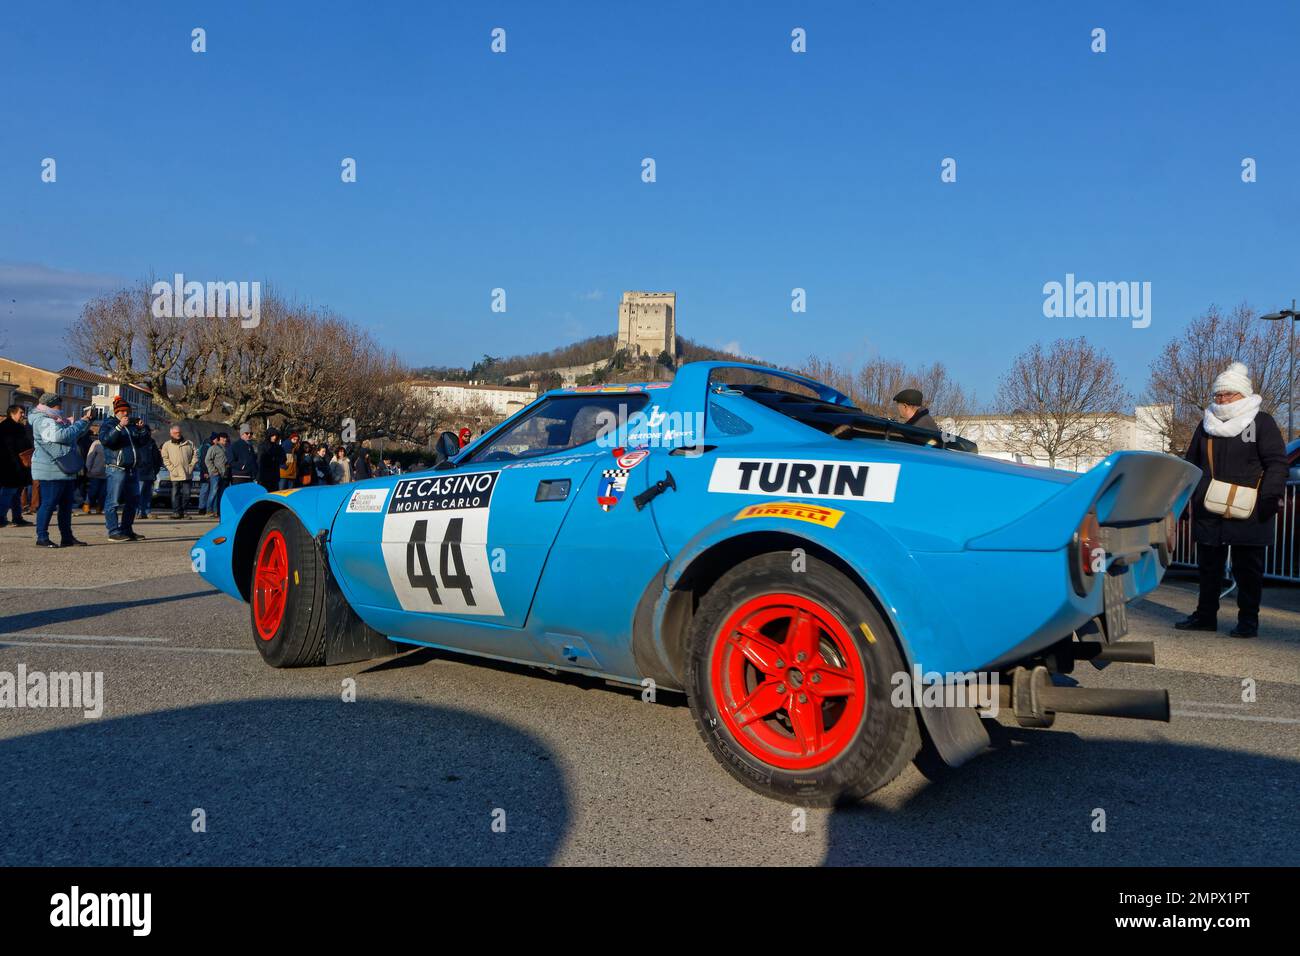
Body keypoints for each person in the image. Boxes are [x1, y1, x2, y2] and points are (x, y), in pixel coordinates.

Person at [1174, 362, 1288, 639]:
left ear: (1243, 394)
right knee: (1208, 567)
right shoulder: (1206, 424)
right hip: (1210, 506)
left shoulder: (1262, 422)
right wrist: (1185, 500)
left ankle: (1248, 621)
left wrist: (1270, 497)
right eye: (1218, 395)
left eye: (1228, 394)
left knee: (1248, 569)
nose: (1222, 399)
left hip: (1250, 507)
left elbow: (1276, 463)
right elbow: (1193, 463)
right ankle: (1205, 616)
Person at [29, 392, 93, 548]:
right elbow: (60, 436)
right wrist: (80, 423)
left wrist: (86, 422)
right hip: (50, 469)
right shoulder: (42, 420)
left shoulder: (54, 419)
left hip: (63, 469)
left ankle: (67, 537)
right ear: (51, 405)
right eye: (59, 405)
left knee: (65, 506)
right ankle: (42, 537)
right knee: (49, 504)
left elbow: (72, 436)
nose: (61, 408)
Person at [98, 396, 146, 542]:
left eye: (128, 411)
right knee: (113, 500)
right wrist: (119, 427)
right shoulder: (108, 424)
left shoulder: (130, 425)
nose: (126, 414)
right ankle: (113, 531)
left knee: (133, 500)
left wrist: (141, 430)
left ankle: (127, 529)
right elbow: (106, 441)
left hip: (131, 468)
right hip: (116, 467)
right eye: (123, 411)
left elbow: (142, 442)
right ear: (117, 412)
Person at [0, 404, 34, 527]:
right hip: (11, 466)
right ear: (12, 413)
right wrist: (17, 464)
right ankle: (1, 518)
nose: (23, 415)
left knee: (16, 493)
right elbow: (9, 449)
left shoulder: (17, 427)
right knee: (8, 492)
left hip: (19, 465)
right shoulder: (7, 428)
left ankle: (17, 517)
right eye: (21, 412)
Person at [161, 424, 198, 519]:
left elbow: (195, 456)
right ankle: (176, 512)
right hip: (175, 474)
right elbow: (165, 459)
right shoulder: (167, 445)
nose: (178, 434)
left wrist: (191, 466)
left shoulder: (189, 443)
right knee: (175, 494)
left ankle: (184, 511)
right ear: (171, 433)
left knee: (187, 494)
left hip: (187, 473)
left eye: (179, 432)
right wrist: (172, 469)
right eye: (176, 433)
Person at [205, 432, 231, 517]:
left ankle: (217, 512)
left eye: (226, 438)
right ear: (219, 439)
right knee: (213, 492)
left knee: (221, 494)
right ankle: (209, 510)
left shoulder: (227, 448)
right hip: (215, 474)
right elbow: (207, 460)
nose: (225, 439)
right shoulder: (213, 448)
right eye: (223, 438)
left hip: (224, 475)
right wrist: (213, 470)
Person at [83, 429, 106, 514]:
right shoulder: (96, 443)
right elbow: (90, 456)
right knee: (93, 490)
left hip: (107, 473)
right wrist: (88, 468)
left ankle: (99, 507)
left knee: (103, 492)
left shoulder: (112, 443)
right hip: (95, 472)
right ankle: (87, 505)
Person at [195, 433, 217, 516]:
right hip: (206, 472)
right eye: (216, 440)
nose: (217, 441)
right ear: (213, 439)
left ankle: (204, 508)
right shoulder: (206, 447)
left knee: (207, 490)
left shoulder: (209, 446)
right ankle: (201, 508)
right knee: (205, 490)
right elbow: (204, 461)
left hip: (208, 472)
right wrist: (205, 472)